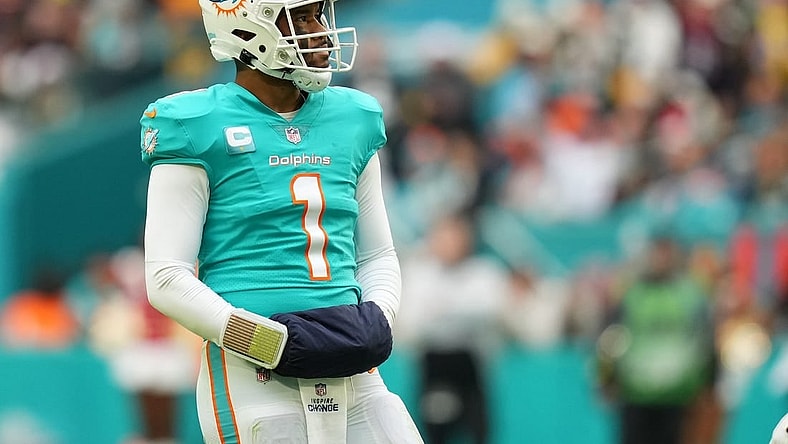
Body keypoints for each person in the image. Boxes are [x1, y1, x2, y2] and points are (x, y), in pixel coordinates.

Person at [139, 1, 424, 443]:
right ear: (250, 29)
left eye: (319, 16)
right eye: (305, 18)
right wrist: (266, 342)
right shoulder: (195, 123)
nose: (324, 34)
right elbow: (165, 276)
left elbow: (377, 254)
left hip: (352, 366)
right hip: (253, 373)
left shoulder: (353, 117)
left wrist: (375, 322)